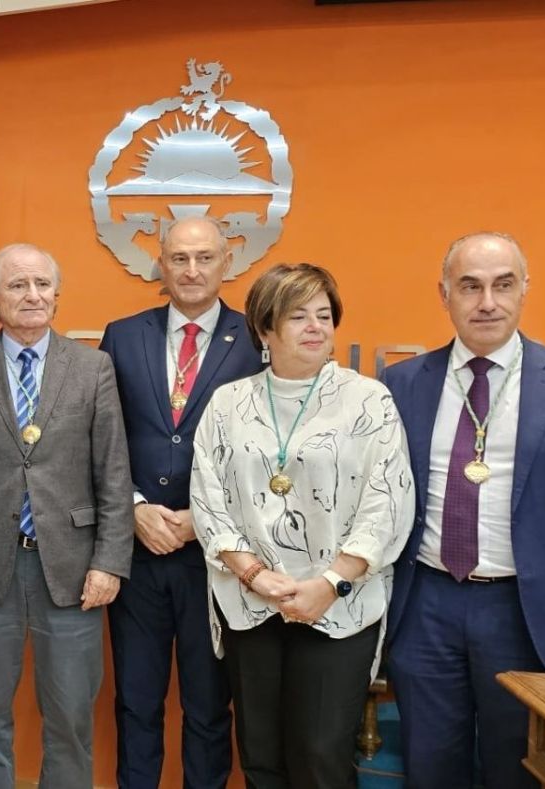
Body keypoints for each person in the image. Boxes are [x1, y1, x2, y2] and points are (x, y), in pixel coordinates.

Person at [383, 232, 545, 789]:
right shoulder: (400, 385)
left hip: (527, 611)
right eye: (470, 286)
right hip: (424, 606)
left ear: (525, 291)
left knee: (518, 770)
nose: (487, 301)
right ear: (444, 293)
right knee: (429, 769)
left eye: (503, 285)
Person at [189, 262, 413, 789]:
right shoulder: (228, 403)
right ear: (265, 330)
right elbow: (208, 500)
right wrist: (256, 577)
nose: (316, 327)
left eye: (323, 315)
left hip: (339, 605)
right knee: (262, 757)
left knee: (321, 756)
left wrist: (329, 582)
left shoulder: (368, 400)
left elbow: (388, 503)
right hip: (251, 603)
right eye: (297, 317)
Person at [0, 242, 134, 788]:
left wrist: (110, 562)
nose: (33, 296)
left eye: (42, 285)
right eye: (18, 285)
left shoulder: (93, 368)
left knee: (71, 716)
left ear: (56, 295)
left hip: (74, 569)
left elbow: (114, 472)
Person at [99, 215, 261, 788]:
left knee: (209, 705)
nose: (191, 270)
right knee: (136, 702)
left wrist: (206, 521)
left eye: (205, 258)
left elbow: (268, 454)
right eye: (179, 258)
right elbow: (104, 436)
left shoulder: (258, 338)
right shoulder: (122, 334)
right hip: (137, 554)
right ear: (160, 265)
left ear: (227, 263)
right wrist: (135, 506)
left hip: (215, 560)